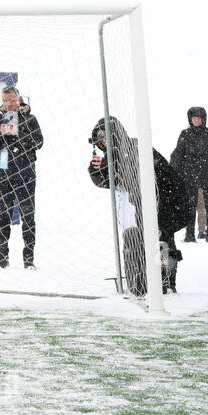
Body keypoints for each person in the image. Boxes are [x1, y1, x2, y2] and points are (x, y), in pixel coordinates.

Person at [88, 117, 187, 295]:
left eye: (107, 136)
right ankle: (150, 281)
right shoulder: (115, 155)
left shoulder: (134, 147)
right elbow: (112, 182)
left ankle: (166, 282)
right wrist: (97, 171)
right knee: (150, 238)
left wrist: (110, 168)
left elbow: (133, 177)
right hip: (149, 202)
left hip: (168, 199)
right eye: (101, 138)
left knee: (161, 239)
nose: (104, 142)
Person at [0, 85, 44, 269]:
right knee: (3, 217)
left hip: (26, 174)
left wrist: (19, 132)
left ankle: (29, 260)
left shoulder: (30, 119)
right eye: (5, 100)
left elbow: (39, 142)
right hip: (3, 174)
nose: (9, 104)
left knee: (28, 216)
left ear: (19, 99)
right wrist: (0, 133)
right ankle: (2, 259)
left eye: (12, 100)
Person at [169, 107, 208, 243]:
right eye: (194, 117)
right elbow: (177, 155)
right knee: (190, 206)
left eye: (199, 117)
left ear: (203, 119)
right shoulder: (185, 134)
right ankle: (189, 235)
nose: (197, 120)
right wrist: (172, 173)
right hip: (189, 177)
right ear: (190, 119)